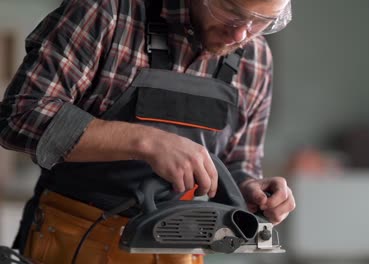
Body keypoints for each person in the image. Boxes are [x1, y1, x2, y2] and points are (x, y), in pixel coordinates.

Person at [0, 0, 296, 263]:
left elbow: (237, 164)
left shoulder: (256, 59)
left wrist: (249, 190)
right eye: (231, 12)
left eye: (261, 21)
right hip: (70, 240)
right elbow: (21, 116)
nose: (241, 34)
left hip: (177, 250)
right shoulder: (109, 12)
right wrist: (147, 142)